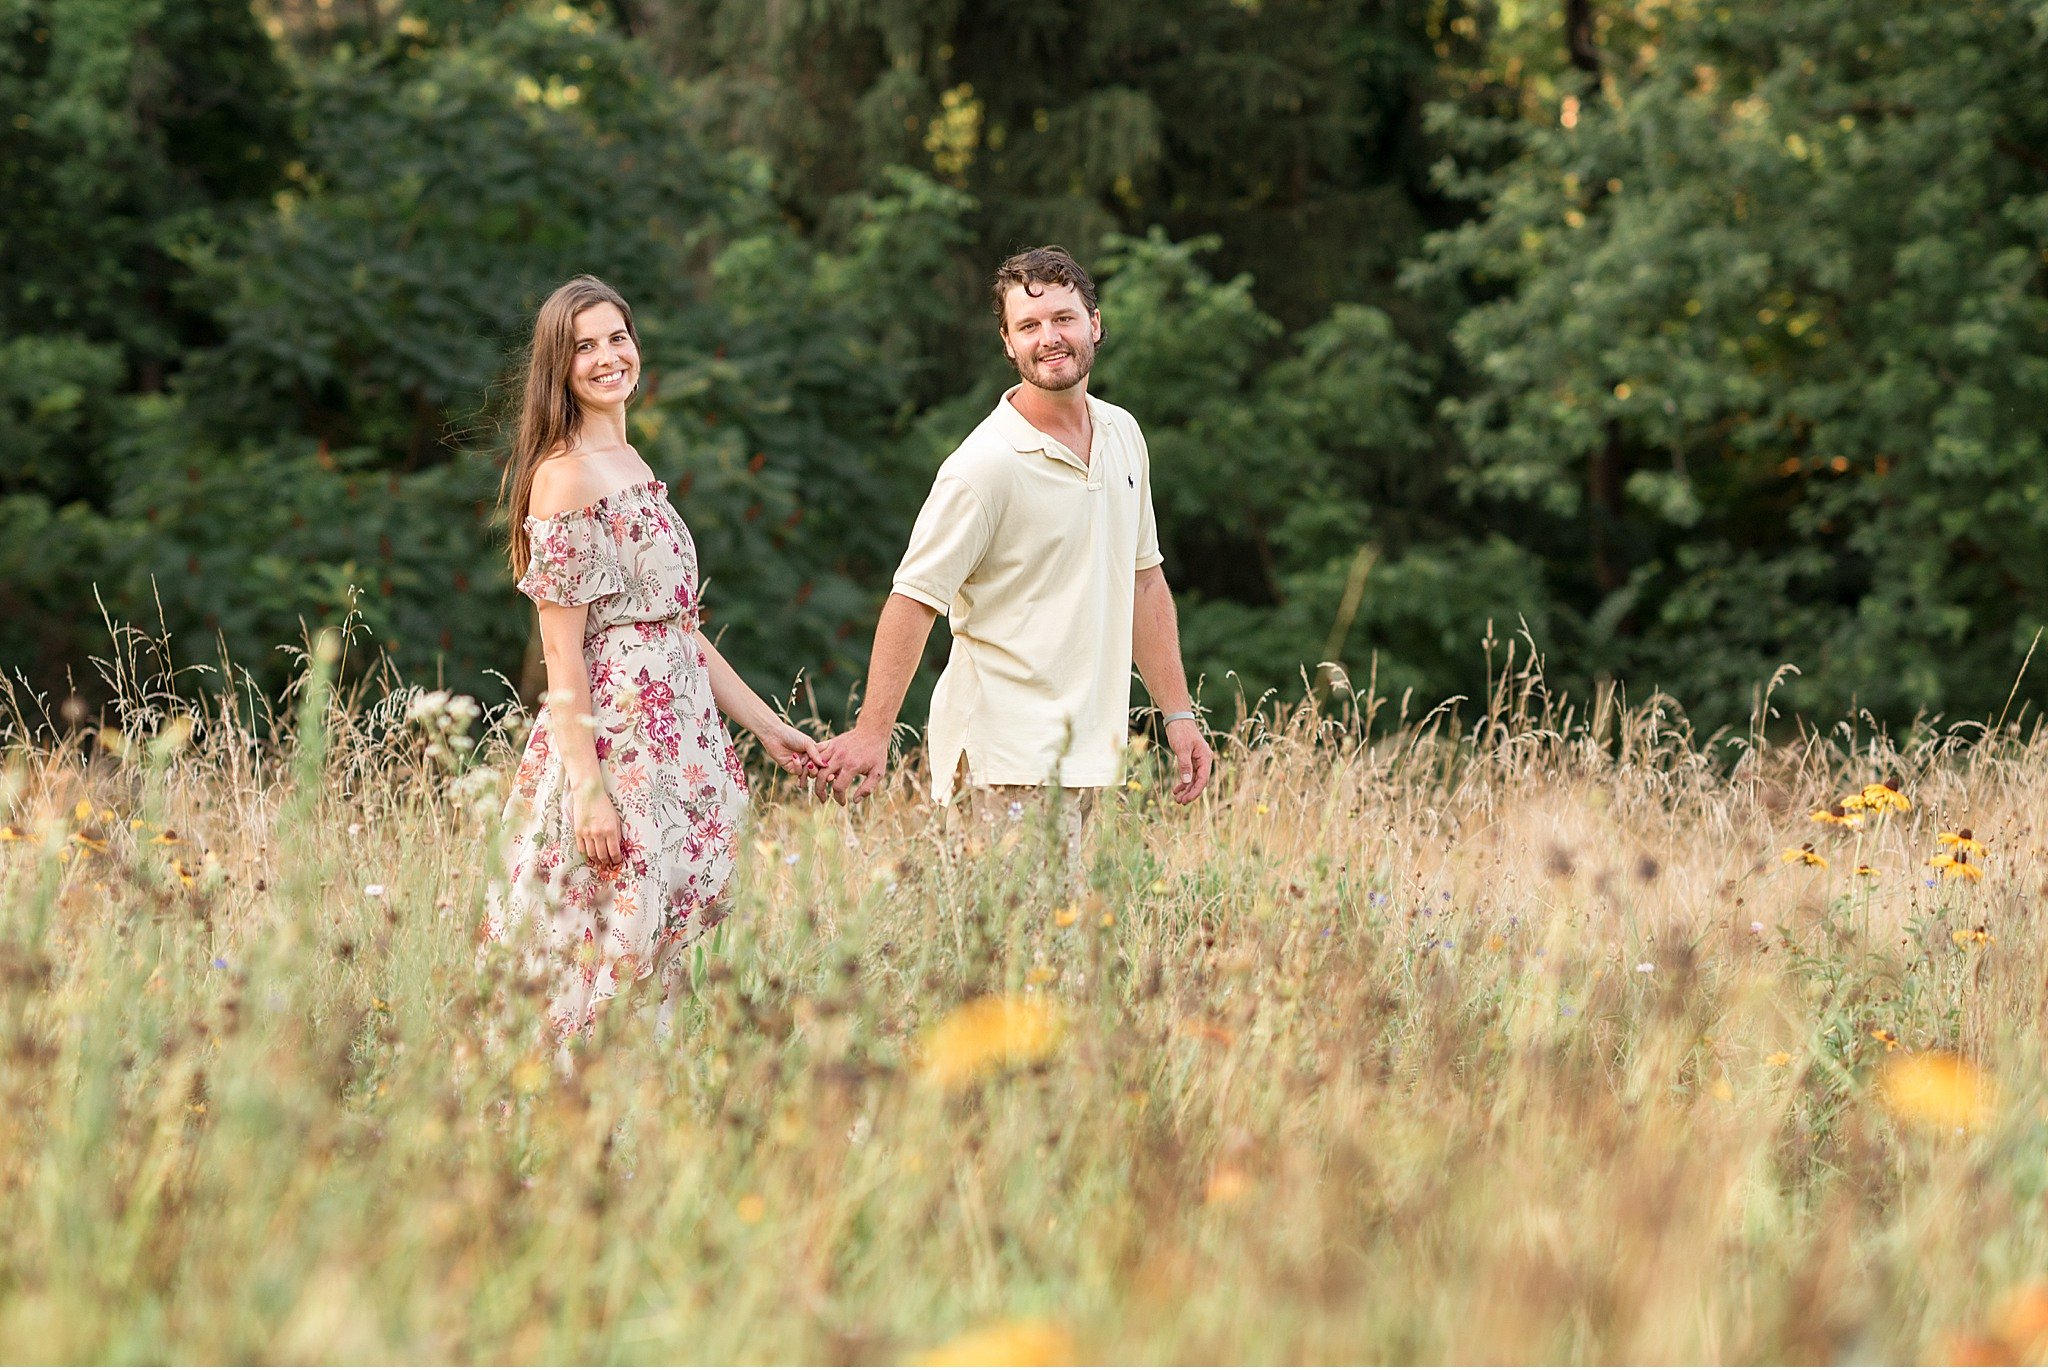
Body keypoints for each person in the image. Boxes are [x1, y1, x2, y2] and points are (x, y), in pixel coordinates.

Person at [485, 275, 821, 1044]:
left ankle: (631, 1140)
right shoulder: (564, 474)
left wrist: (768, 728)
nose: (607, 358)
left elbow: (677, 630)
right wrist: (588, 789)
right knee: (605, 956)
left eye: (617, 338)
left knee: (650, 961)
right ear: (558, 368)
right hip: (616, 753)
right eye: (584, 347)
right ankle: (562, 1134)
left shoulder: (632, 462)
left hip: (677, 749)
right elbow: (562, 654)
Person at [815, 246, 1214, 835]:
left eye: (1063, 318)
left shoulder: (1123, 434)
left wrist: (1178, 713)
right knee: (1022, 929)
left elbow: (1145, 579)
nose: (1048, 337)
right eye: (1028, 326)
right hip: (1006, 756)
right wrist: (874, 731)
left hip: (1091, 753)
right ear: (1007, 343)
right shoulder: (984, 467)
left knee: (1072, 926)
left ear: (1095, 324)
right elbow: (914, 598)